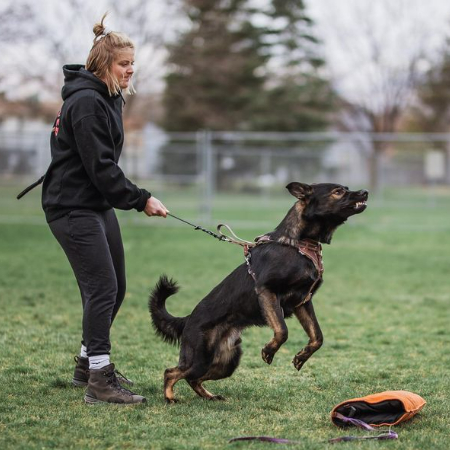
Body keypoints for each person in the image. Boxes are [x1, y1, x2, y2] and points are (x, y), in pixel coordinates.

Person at [41, 13, 169, 404]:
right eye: (123, 64)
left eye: (132, 63)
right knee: (102, 289)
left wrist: (132, 196)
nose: (130, 70)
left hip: (93, 205)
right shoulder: (86, 103)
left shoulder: (107, 97)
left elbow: (101, 170)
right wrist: (141, 198)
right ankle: (99, 380)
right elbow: (101, 169)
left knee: (116, 289)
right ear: (103, 65)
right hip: (71, 207)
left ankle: (86, 366)